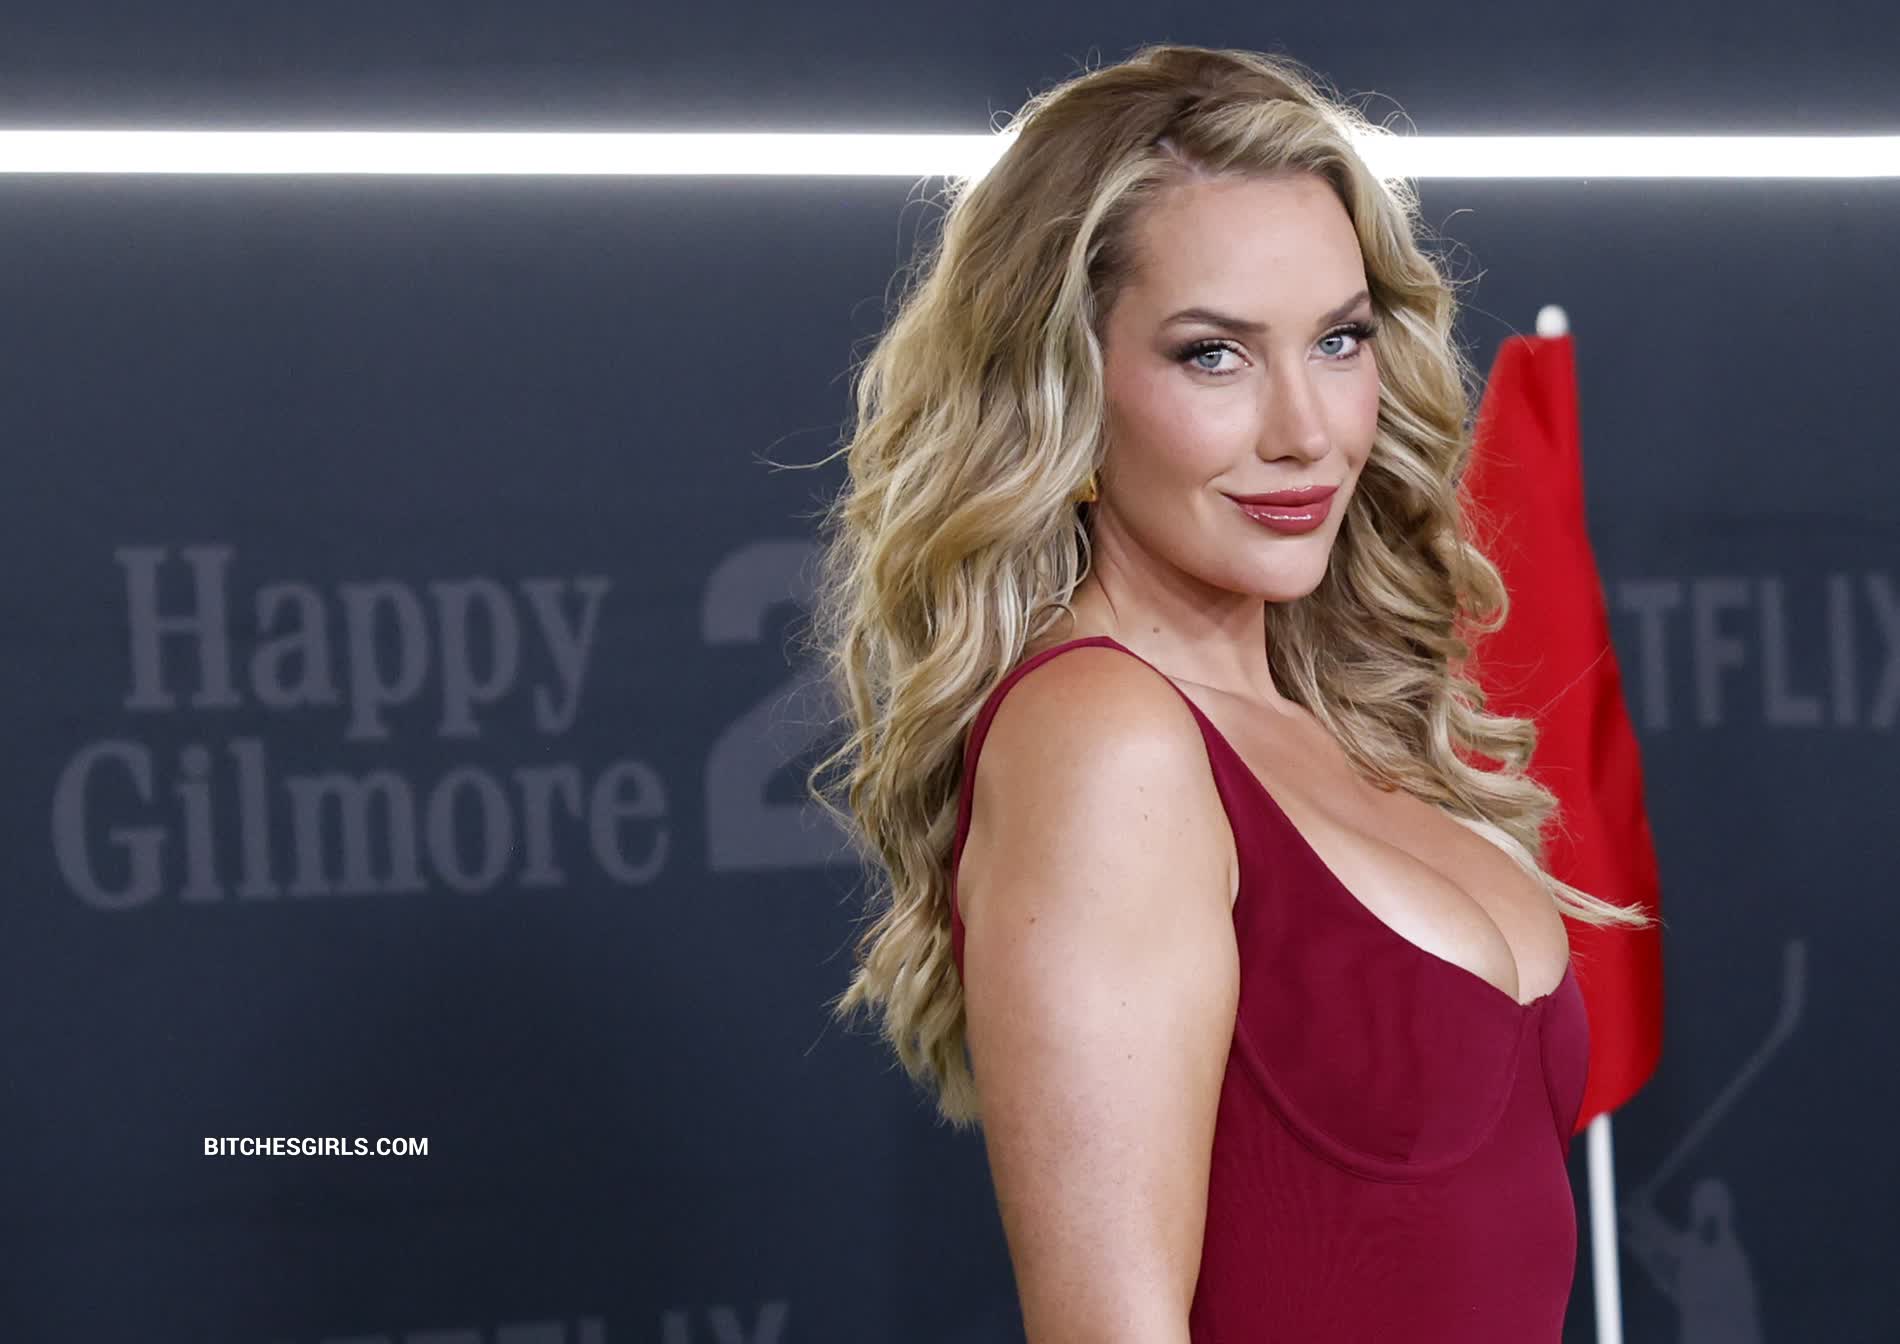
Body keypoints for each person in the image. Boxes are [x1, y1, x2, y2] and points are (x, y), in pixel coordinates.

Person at [801, 42, 1655, 1342]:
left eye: (1339, 340)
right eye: (1215, 356)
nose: (1305, 431)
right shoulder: (1106, 739)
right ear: (1066, 385)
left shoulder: (1330, 722)